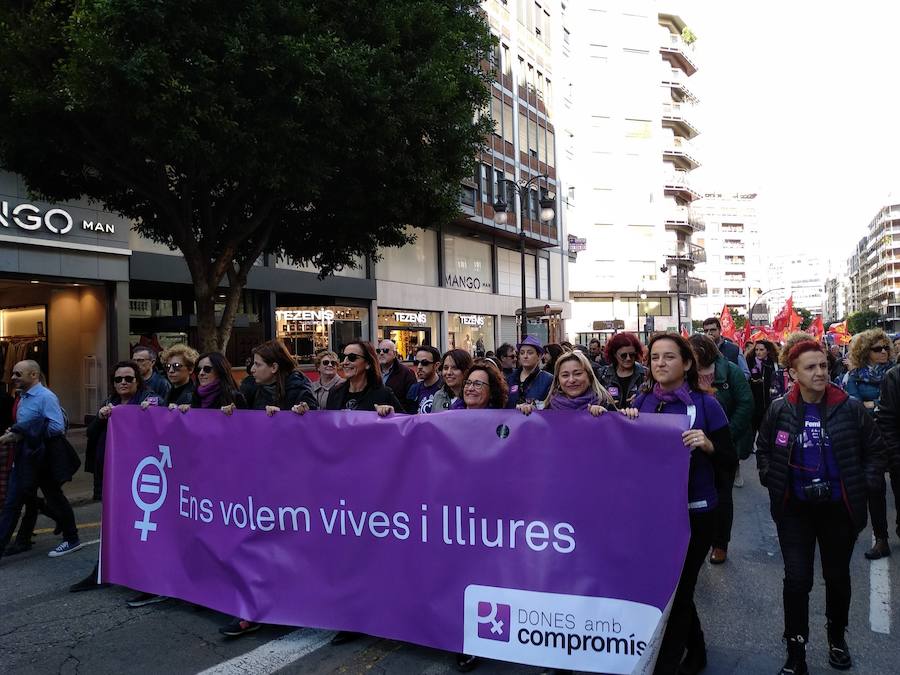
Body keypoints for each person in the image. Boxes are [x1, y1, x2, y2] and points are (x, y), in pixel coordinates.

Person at [756, 340, 886, 675]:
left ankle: (836, 639)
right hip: (795, 512)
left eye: (824, 366)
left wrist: (865, 483)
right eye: (811, 367)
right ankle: (795, 651)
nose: (820, 373)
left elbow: (875, 450)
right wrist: (771, 477)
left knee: (837, 577)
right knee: (797, 581)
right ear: (793, 373)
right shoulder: (779, 408)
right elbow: (765, 449)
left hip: (838, 511)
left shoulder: (850, 407)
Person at [621, 334, 736, 675]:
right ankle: (698, 651)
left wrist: (708, 444)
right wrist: (623, 422)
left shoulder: (706, 405)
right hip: (654, 514)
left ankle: (667, 664)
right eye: (655, 357)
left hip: (696, 512)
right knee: (673, 589)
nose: (660, 363)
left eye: (669, 357)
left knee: (682, 589)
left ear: (686, 364)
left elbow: (730, 458)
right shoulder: (640, 401)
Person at [70, 361, 155, 592]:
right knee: (110, 523)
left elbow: (158, 431)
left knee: (138, 526)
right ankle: (103, 571)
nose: (123, 383)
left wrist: (149, 412)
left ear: (137, 380)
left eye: (128, 378)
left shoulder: (148, 401)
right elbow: (91, 433)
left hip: (137, 476)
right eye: (119, 379)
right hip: (110, 472)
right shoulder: (110, 403)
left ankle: (140, 573)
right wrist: (100, 416)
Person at [0, 360, 81, 560]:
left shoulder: (46, 397)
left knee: (54, 497)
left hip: (42, 458)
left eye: (18, 374)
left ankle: (71, 538)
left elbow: (56, 428)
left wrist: (22, 432)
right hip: (25, 457)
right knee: (12, 502)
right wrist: (17, 431)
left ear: (34, 375)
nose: (13, 378)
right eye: (13, 373)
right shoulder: (22, 396)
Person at [689, 334, 754, 565]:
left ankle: (720, 544)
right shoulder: (687, 375)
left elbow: (746, 403)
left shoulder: (731, 371)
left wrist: (726, 434)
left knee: (723, 494)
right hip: (696, 448)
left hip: (725, 445)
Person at [519, 351, 616, 416]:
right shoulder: (547, 407)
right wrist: (529, 412)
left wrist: (606, 417)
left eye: (577, 374)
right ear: (558, 380)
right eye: (565, 375)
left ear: (589, 376)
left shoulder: (605, 403)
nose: (571, 380)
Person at [321, 341, 402, 413]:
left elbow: (404, 422)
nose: (345, 362)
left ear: (368, 364)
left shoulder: (383, 394)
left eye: (352, 357)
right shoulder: (335, 392)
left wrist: (391, 414)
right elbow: (329, 424)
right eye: (343, 357)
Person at [874, 360, 900, 562]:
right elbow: (887, 419)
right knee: (875, 490)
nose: (882, 352)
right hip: (881, 448)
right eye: (876, 348)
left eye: (885, 347)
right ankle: (881, 538)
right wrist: (895, 455)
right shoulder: (894, 376)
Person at [246, 340, 317, 414]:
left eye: (257, 364)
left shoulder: (299, 391)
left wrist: (282, 416)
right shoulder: (250, 389)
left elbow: (313, 419)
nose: (252, 369)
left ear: (274, 367)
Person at [845, 328, 891, 415]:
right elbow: (856, 408)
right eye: (877, 349)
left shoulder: (895, 372)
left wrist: (874, 403)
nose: (884, 352)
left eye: (886, 348)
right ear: (865, 351)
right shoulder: (855, 376)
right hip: (868, 424)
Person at [598, 332, 647, 409]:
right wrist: (605, 403)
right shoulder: (602, 374)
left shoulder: (646, 374)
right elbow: (594, 400)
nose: (628, 358)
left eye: (632, 354)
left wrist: (641, 400)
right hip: (610, 419)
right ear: (614, 354)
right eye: (623, 355)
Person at [506, 335, 553, 410]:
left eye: (530, 353)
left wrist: (535, 406)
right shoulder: (510, 378)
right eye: (522, 353)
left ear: (539, 356)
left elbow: (550, 405)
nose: (525, 356)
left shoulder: (548, 379)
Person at [748, 340, 781, 437]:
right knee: (753, 430)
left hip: (769, 403)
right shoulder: (749, 361)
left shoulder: (774, 363)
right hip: (754, 403)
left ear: (768, 351)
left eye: (761, 350)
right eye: (756, 349)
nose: (758, 352)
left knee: (767, 432)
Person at [405, 346, 443, 414]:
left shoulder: (445, 387)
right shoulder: (414, 389)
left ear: (436, 365)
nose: (419, 367)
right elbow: (410, 416)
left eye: (424, 363)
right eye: (417, 363)